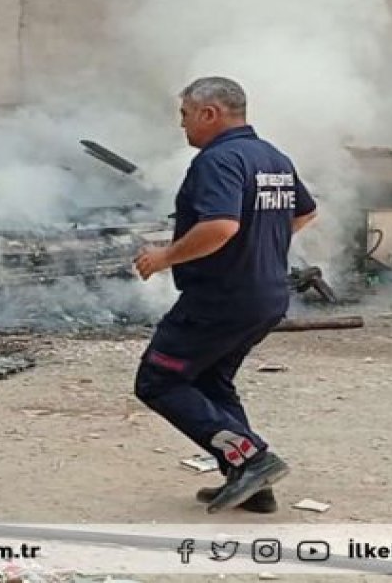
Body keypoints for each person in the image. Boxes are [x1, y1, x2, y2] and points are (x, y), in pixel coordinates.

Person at [133, 76, 317, 514]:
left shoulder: (218, 160)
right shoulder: (272, 157)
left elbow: (220, 226)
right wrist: (260, 247)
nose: (182, 126)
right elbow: (306, 212)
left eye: (184, 115)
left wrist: (165, 257)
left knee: (158, 380)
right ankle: (252, 484)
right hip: (265, 294)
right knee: (212, 381)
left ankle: (252, 459)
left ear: (209, 113)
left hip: (221, 298)